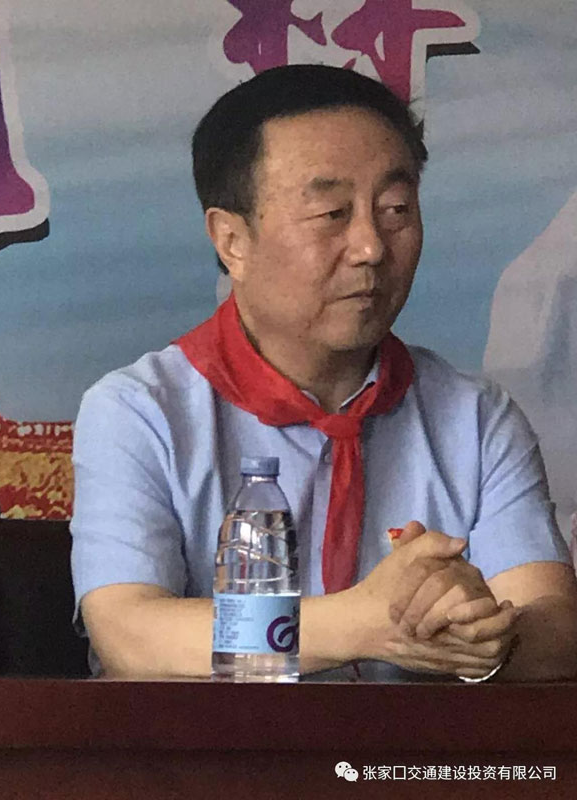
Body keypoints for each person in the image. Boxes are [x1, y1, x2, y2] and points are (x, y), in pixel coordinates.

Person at [70, 64, 577, 682]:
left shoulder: (475, 418)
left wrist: (481, 635)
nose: (371, 247)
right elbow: (130, 635)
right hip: (206, 748)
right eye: (332, 212)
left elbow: (555, 629)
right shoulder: (140, 411)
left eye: (395, 208)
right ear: (232, 241)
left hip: (414, 748)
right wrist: (362, 624)